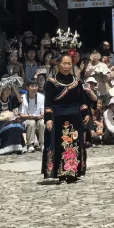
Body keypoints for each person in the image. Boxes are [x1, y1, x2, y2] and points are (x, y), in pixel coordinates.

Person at [41, 34, 88, 183]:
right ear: (58, 65)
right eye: (64, 63)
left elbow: (82, 99)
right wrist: (48, 118)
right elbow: (47, 103)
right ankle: (59, 172)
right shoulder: (51, 82)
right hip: (58, 117)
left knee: (73, 144)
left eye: (69, 63)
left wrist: (85, 113)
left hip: (74, 117)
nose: (67, 66)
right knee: (59, 145)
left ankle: (72, 171)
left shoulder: (76, 81)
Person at [20, 79, 46, 153]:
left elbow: (42, 111)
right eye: (32, 86)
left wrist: (41, 115)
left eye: (36, 86)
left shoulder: (41, 96)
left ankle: (42, 143)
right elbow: (21, 115)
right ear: (27, 88)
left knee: (42, 122)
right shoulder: (23, 97)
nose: (34, 88)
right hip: (27, 119)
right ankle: (30, 144)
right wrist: (28, 116)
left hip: (38, 118)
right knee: (31, 123)